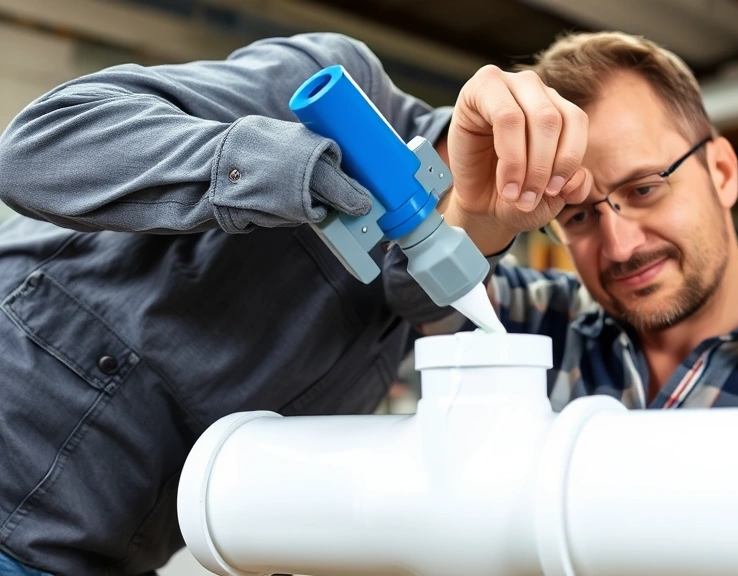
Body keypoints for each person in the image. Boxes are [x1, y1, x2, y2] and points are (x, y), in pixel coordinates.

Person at [0, 33, 584, 576]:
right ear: (517, 110)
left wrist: (475, 223)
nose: (599, 219)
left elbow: (409, 289)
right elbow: (37, 147)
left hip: (83, 557)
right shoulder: (344, 90)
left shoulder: (425, 308)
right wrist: (286, 170)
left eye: (576, 208)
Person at [386, 30, 738, 410]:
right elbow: (414, 297)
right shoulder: (538, 328)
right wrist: (481, 213)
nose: (621, 246)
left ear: (721, 171)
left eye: (645, 188)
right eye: (577, 217)